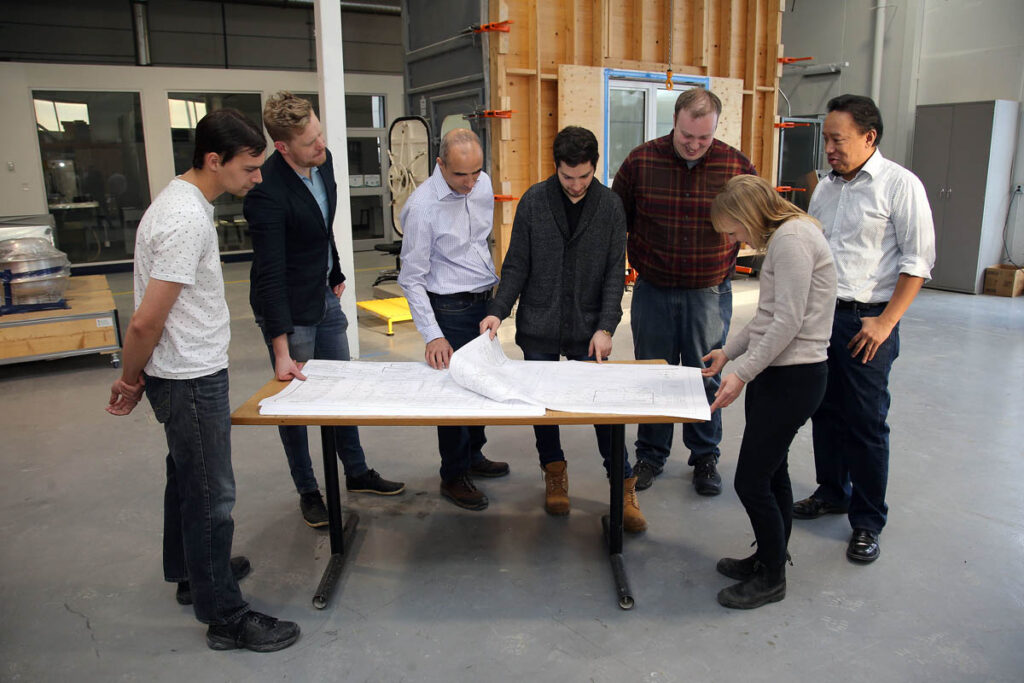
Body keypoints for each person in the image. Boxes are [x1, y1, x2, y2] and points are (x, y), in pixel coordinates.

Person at [106, 109, 300, 652]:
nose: (257, 178)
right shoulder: (186, 219)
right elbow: (146, 319)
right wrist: (128, 380)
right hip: (189, 377)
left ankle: (193, 574)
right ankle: (225, 615)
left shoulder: (179, 202)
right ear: (215, 161)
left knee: (186, 478)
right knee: (213, 493)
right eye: (250, 168)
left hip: (184, 371)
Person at [244, 92, 404, 529]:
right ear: (282, 147)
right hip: (288, 308)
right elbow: (272, 274)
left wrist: (333, 266)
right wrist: (281, 349)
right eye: (310, 142)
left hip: (322, 292)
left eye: (319, 134)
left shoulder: (324, 159)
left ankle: (355, 473)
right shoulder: (265, 192)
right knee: (293, 404)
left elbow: (322, 220)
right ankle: (309, 491)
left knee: (342, 389)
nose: (321, 145)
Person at [479, 126, 646, 532]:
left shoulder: (610, 206)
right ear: (556, 167)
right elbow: (516, 263)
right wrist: (498, 311)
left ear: (595, 168)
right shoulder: (535, 200)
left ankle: (622, 486)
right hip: (539, 323)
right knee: (543, 406)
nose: (575, 186)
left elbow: (613, 274)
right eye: (567, 177)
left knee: (601, 409)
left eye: (584, 177)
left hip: (588, 327)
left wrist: (606, 326)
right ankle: (554, 471)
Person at [792, 94, 935, 564]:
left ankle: (868, 520)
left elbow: (918, 262)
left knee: (866, 423)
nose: (828, 148)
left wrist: (886, 321)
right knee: (825, 412)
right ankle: (832, 491)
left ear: (869, 137)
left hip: (867, 320)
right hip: (822, 316)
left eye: (838, 139)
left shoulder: (900, 186)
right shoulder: (826, 188)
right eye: (827, 139)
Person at [612, 87, 756, 495]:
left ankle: (705, 456)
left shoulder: (735, 165)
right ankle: (651, 455)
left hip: (708, 292)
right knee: (654, 372)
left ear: (715, 130)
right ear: (673, 122)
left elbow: (758, 219)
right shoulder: (641, 161)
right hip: (653, 289)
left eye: (703, 138)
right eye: (685, 135)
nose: (693, 145)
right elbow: (614, 221)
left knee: (705, 374)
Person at [702, 175, 837, 609]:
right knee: (773, 473)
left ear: (749, 216)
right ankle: (768, 556)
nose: (737, 241)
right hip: (780, 373)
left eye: (735, 231)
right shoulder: (787, 236)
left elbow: (788, 322)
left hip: (795, 378)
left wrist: (741, 374)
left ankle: (773, 577)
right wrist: (728, 352)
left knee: (751, 480)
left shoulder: (792, 240)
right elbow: (766, 316)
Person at [398, 128, 510, 510]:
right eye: (460, 174)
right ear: (440, 164)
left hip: (484, 303)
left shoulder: (481, 185)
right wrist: (433, 335)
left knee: (480, 385)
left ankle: (473, 455)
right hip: (449, 309)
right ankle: (453, 475)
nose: (470, 183)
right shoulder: (422, 207)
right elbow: (411, 278)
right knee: (454, 395)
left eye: (476, 172)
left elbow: (477, 242)